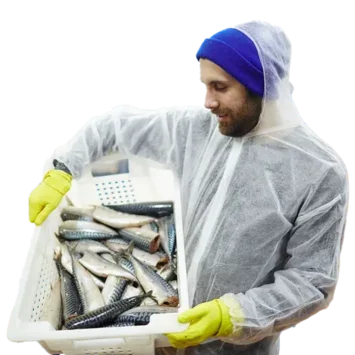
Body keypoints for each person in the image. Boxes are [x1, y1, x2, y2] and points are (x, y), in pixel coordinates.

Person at [27, 20, 350, 355]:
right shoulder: (199, 129)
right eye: (204, 86)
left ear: (261, 86)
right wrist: (62, 170)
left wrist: (232, 315)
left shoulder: (319, 172)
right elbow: (112, 127)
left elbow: (312, 281)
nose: (208, 102)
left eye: (220, 87)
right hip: (160, 319)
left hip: (235, 346)